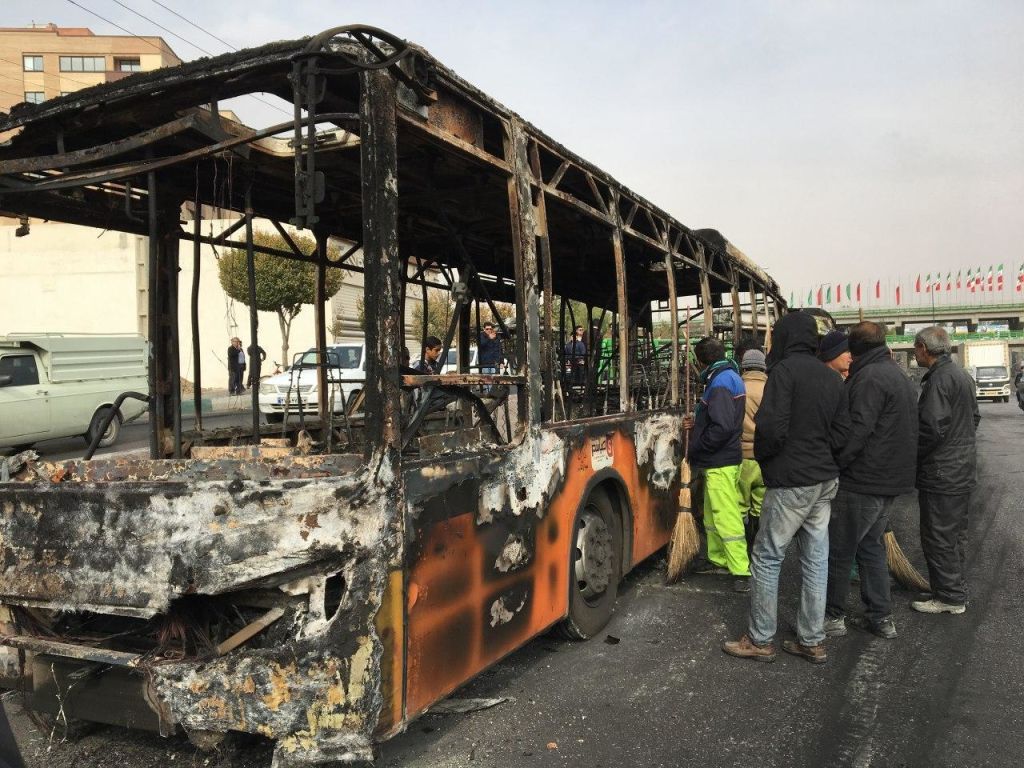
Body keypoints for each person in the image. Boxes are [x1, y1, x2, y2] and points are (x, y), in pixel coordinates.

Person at [722, 311, 843, 664]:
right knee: (816, 559)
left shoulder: (784, 373)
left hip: (792, 480)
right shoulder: (831, 376)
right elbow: (843, 433)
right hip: (825, 481)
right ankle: (811, 639)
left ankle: (760, 638)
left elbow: (771, 429)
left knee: (767, 556)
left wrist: (769, 463)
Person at [824, 322, 918, 640]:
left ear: (855, 347)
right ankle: (881, 617)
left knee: (840, 549)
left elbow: (858, 430)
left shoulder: (868, 378)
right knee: (870, 547)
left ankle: (833, 616)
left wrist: (837, 463)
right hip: (891, 479)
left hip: (863, 479)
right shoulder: (896, 374)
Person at [911, 326, 980, 615]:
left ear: (923, 349)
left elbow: (930, 429)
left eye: (916, 349)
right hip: (960, 468)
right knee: (954, 535)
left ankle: (949, 597)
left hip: (941, 472)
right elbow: (974, 417)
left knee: (938, 535)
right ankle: (950, 587)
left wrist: (915, 457)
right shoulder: (962, 375)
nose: (915, 354)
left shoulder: (939, 380)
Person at [685, 336, 749, 592]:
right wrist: (698, 421)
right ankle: (718, 558)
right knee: (712, 514)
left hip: (720, 459)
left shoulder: (720, 383)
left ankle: (740, 569)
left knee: (726, 515)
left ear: (701, 362)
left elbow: (721, 427)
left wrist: (698, 446)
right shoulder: (729, 377)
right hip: (723, 459)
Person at [738, 349, 768, 551]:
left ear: (744, 366)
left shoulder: (738, 387)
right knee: (760, 506)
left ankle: (740, 550)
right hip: (765, 457)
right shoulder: (772, 388)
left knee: (740, 505)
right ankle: (756, 547)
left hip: (741, 456)